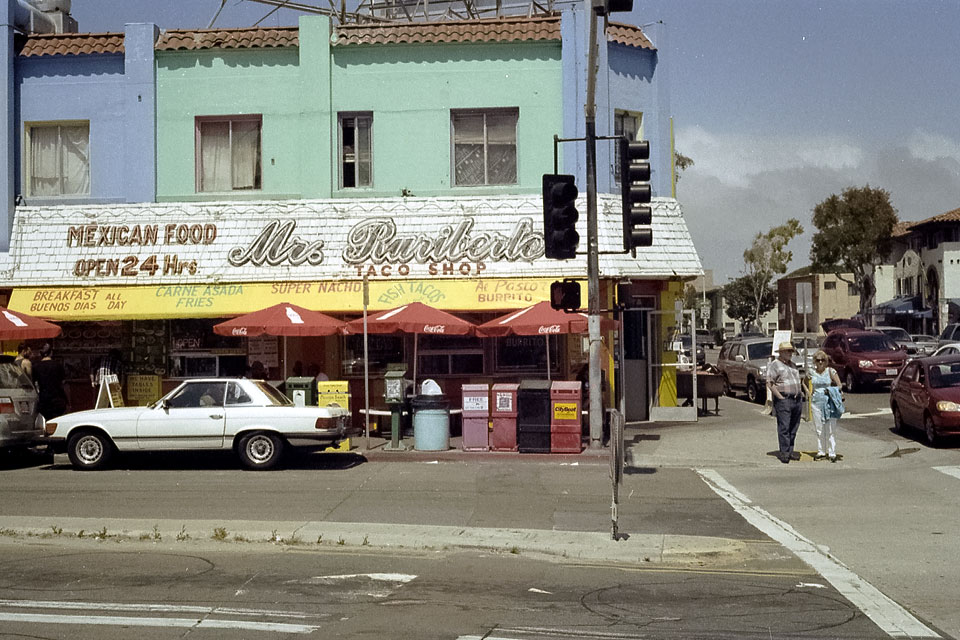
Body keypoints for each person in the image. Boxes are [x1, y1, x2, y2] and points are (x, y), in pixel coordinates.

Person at [766, 341, 804, 464]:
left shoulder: (792, 365)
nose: (790, 353)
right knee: (784, 427)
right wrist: (780, 397)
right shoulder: (775, 365)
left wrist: (801, 393)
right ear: (781, 352)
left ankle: (790, 450)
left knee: (794, 427)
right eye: (788, 351)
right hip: (785, 399)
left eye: (791, 351)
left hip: (796, 399)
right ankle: (784, 453)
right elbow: (770, 383)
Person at [809, 350, 843, 462]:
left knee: (830, 428)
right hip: (816, 403)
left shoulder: (830, 371)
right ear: (815, 361)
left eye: (822, 360)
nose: (820, 362)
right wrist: (809, 394)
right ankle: (821, 451)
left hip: (829, 403)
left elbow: (839, 385)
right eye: (818, 360)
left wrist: (830, 390)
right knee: (819, 429)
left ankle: (832, 452)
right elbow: (804, 382)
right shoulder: (811, 372)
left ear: (826, 361)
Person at [32, 343, 69, 420]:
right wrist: (68, 401)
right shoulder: (58, 365)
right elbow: (64, 384)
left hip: (43, 400)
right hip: (58, 399)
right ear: (51, 352)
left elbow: (34, 384)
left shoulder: (36, 366)